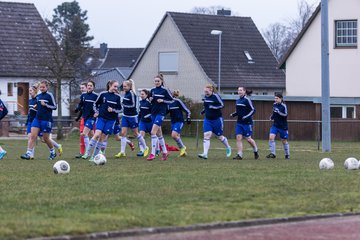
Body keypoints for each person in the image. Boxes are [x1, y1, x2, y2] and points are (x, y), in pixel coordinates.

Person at [82, 80, 122, 161]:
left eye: (117, 87)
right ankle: (87, 153)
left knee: (102, 138)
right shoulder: (103, 94)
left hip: (111, 121)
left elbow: (121, 109)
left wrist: (113, 110)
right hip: (101, 118)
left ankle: (94, 156)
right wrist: (96, 112)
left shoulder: (118, 97)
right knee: (97, 134)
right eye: (114, 86)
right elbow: (95, 104)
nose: (116, 88)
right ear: (110, 85)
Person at [21, 80, 57, 160]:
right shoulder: (39, 96)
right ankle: (28, 153)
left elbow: (54, 107)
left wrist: (46, 105)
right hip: (37, 119)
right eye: (40, 87)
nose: (42, 88)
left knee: (45, 139)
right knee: (32, 136)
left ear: (47, 87)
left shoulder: (49, 95)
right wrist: (36, 106)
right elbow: (39, 104)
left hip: (46, 120)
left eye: (43, 87)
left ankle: (53, 152)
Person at [115, 79, 149, 158]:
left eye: (125, 86)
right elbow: (124, 102)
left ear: (129, 87)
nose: (124, 87)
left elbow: (132, 105)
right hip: (125, 116)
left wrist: (123, 104)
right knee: (123, 133)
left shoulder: (132, 94)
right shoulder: (125, 93)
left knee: (136, 133)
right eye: (123, 86)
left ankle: (145, 147)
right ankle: (122, 152)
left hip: (132, 117)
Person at [198, 84, 231, 160]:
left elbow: (222, 105)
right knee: (207, 135)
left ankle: (228, 147)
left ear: (211, 90)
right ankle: (205, 154)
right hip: (207, 120)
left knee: (220, 137)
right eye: (205, 91)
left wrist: (213, 107)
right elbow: (206, 107)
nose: (206, 93)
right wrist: (203, 111)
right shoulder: (205, 97)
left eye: (207, 91)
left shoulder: (216, 96)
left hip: (217, 120)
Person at [146, 74, 174, 161]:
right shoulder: (152, 90)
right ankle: (165, 152)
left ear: (161, 81)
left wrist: (163, 100)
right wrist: (150, 99)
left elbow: (172, 100)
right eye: (155, 81)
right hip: (153, 113)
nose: (157, 82)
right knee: (159, 134)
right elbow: (150, 99)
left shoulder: (165, 90)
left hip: (161, 113)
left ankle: (152, 153)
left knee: (153, 132)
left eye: (158, 81)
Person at [230, 87, 259, 160]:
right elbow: (239, 111)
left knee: (248, 139)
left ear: (244, 91)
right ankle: (239, 155)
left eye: (241, 90)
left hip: (247, 123)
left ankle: (255, 150)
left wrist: (246, 117)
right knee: (238, 138)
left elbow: (253, 110)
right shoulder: (237, 100)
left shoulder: (247, 100)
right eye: (238, 90)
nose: (239, 91)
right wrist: (233, 114)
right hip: (239, 122)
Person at [76, 81, 98, 158]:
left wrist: (97, 112)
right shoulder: (83, 95)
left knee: (84, 134)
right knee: (92, 135)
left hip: (91, 117)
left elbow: (100, 105)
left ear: (93, 87)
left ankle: (87, 153)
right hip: (85, 117)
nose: (89, 87)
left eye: (91, 85)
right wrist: (78, 108)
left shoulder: (96, 96)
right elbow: (81, 104)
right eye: (88, 85)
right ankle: (99, 150)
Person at [266, 93, 290, 159]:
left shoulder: (284, 106)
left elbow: (285, 115)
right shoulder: (274, 105)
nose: (275, 100)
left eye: (277, 98)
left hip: (283, 126)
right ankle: (273, 154)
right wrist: (271, 117)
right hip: (275, 125)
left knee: (284, 141)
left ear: (281, 98)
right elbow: (274, 113)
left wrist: (279, 112)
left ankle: (287, 154)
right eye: (275, 98)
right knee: (271, 137)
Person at [168, 90, 191, 157]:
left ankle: (183, 147)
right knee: (177, 136)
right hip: (173, 122)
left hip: (179, 121)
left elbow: (187, 110)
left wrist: (188, 117)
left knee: (174, 135)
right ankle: (183, 152)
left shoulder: (177, 101)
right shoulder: (168, 103)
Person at [137, 89, 153, 157]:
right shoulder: (140, 102)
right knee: (141, 136)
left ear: (146, 95)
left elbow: (153, 112)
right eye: (141, 94)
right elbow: (140, 113)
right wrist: (138, 120)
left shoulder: (149, 103)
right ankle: (142, 150)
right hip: (142, 122)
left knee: (153, 136)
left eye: (143, 94)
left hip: (150, 122)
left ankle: (157, 149)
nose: (141, 95)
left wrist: (148, 116)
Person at [75, 82, 88, 158]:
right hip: (84, 118)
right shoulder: (82, 96)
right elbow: (82, 108)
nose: (81, 89)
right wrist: (78, 116)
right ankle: (82, 152)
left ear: (87, 88)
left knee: (92, 135)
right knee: (82, 135)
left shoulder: (91, 96)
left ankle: (97, 151)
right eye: (80, 88)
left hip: (91, 119)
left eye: (83, 88)